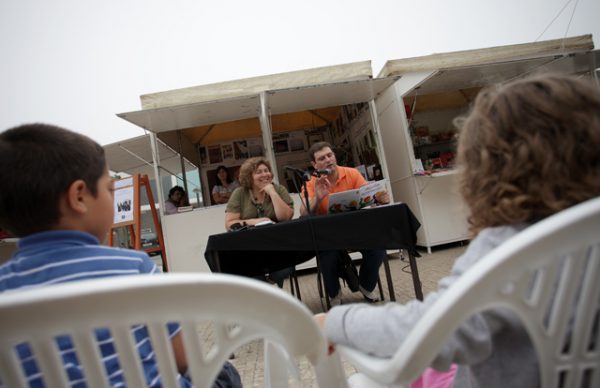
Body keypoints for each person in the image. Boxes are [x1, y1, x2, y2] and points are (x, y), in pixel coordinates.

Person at [316, 73, 600, 387]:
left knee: (361, 382)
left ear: (487, 165)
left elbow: (432, 332)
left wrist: (337, 322)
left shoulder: (508, 244)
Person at [0, 124, 242, 388]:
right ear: (79, 196)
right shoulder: (134, 268)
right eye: (109, 190)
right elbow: (184, 361)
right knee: (223, 373)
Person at [301, 141, 391, 306]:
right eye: (322, 158)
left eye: (330, 155)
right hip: (328, 237)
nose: (328, 160)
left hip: (357, 230)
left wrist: (379, 198)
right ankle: (334, 293)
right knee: (327, 257)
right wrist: (318, 197)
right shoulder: (311, 182)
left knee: (378, 248)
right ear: (314, 164)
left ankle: (365, 285)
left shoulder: (352, 173)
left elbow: (369, 197)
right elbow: (303, 213)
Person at [225, 156, 295, 287]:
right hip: (250, 249)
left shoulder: (279, 190)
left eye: (267, 170)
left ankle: (269, 285)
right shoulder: (239, 193)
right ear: (249, 177)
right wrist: (257, 221)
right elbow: (229, 224)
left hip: (279, 246)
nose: (265, 174)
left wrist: (272, 193)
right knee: (250, 272)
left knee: (286, 267)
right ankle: (266, 293)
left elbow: (285, 217)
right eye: (259, 172)